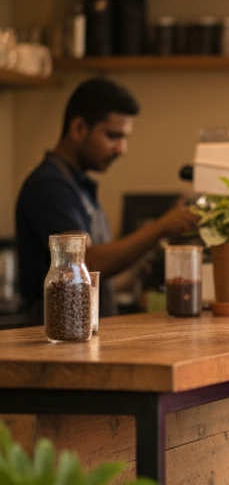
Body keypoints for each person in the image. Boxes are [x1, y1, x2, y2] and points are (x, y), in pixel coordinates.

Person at [15, 77, 197, 321]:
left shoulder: (78, 185)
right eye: (113, 136)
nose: (121, 149)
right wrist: (161, 227)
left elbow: (103, 272)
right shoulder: (48, 186)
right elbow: (84, 264)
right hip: (59, 339)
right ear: (79, 128)